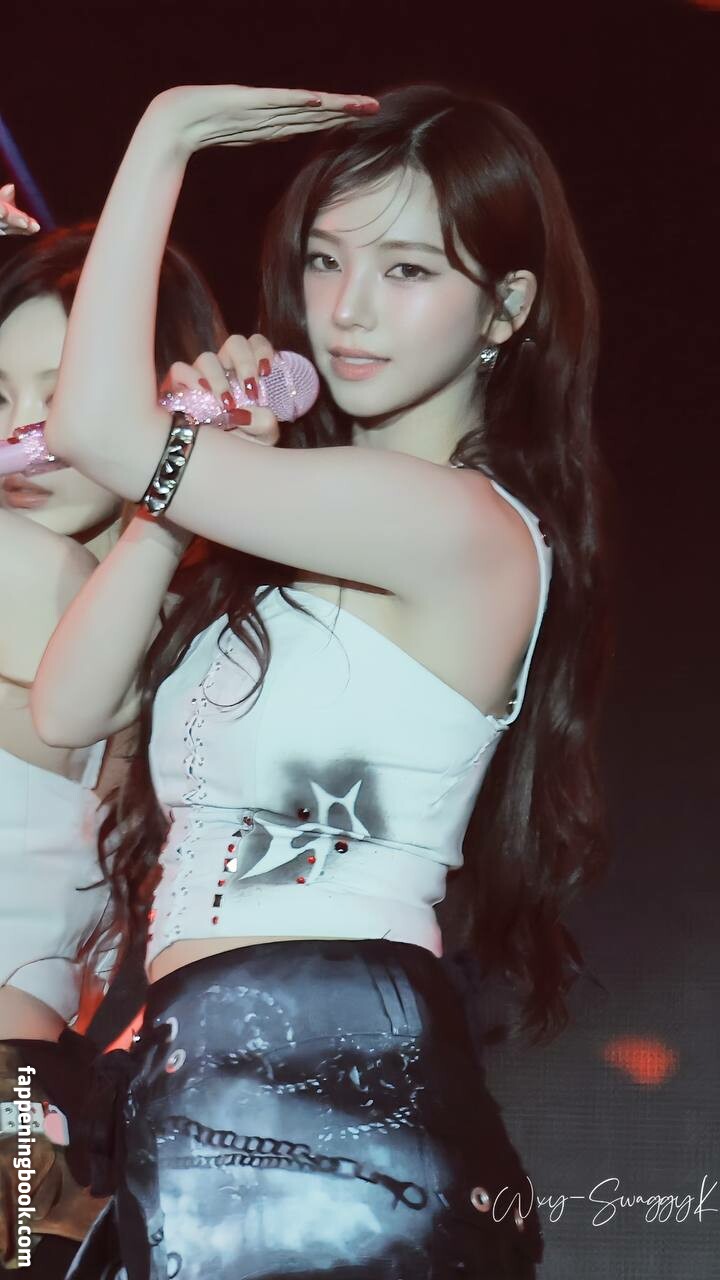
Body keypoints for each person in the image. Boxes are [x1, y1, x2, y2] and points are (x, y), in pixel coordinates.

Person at [31, 82, 614, 1279]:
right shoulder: (286, 540)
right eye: (323, 259)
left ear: (506, 308)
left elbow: (98, 428)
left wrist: (166, 136)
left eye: (407, 270)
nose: (346, 310)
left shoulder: (462, 523)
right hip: (190, 1070)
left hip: (330, 1080)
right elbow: (69, 705)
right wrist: (187, 485)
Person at [0, 223, 236, 1271]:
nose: (21, 431)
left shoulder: (176, 625)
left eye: (60, 396)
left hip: (46, 1118)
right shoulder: (186, 635)